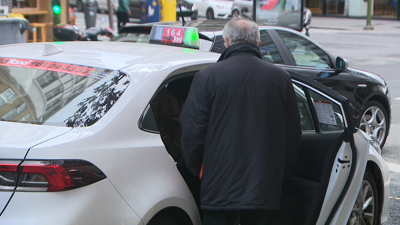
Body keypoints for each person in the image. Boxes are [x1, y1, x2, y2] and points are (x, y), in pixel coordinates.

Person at [180, 17, 302, 225]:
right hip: (264, 185)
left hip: (219, 185)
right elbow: (292, 134)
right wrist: (281, 174)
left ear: (226, 41)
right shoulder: (280, 78)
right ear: (258, 43)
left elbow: (192, 131)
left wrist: (199, 169)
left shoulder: (207, 77)